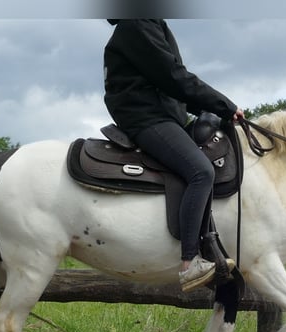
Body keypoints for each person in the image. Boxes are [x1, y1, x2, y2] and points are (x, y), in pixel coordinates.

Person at [103, 19, 245, 292]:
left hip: (164, 115)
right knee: (201, 171)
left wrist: (220, 110)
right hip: (146, 118)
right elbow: (173, 76)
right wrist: (224, 104)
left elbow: (173, 87)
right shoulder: (137, 24)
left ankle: (212, 244)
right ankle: (189, 263)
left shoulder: (148, 22)